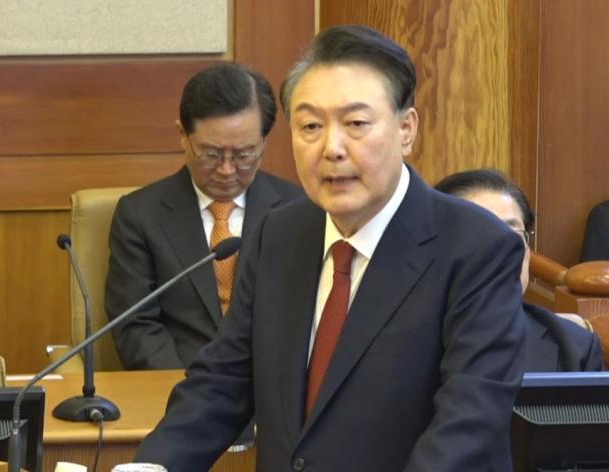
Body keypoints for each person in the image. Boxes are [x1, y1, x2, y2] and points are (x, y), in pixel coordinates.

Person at [135, 25, 526, 471]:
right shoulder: (277, 235)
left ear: (406, 129)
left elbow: (468, 423)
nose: (332, 148)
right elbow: (224, 380)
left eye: (356, 124)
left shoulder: (478, 248)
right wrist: (152, 465)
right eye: (310, 126)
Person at [105, 63, 303, 371]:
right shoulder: (140, 215)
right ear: (182, 136)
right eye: (211, 154)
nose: (226, 170)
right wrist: (190, 395)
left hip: (271, 392)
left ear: (264, 141)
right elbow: (136, 327)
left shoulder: (299, 210)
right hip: (178, 388)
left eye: (243, 155)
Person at [435, 169, 604, 372]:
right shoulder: (401, 345)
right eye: (478, 236)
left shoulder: (575, 347)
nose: (499, 252)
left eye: (511, 235)